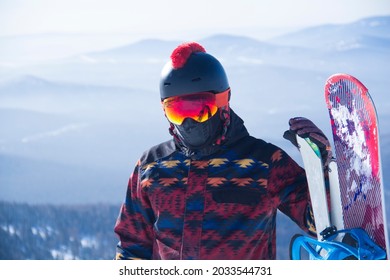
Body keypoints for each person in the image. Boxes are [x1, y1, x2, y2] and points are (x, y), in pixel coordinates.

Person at [114, 42, 331, 260]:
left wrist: (321, 169)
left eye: (199, 109)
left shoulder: (263, 163)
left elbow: (320, 224)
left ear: (223, 100)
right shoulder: (152, 166)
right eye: (177, 111)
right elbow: (132, 246)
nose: (188, 122)